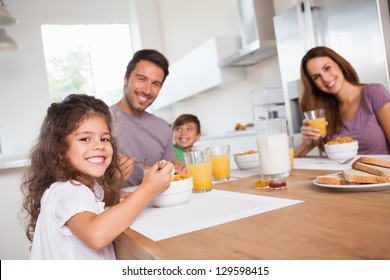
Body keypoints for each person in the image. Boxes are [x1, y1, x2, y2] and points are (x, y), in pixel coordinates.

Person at [21, 94, 173, 259]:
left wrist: (118, 199)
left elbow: (94, 212)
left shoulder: (91, 188)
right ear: (59, 150)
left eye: (104, 138)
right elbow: (96, 235)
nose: (99, 145)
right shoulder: (66, 191)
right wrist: (147, 189)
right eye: (85, 138)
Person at [295, 46, 390, 156]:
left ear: (339, 64)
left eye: (327, 68)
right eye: (316, 77)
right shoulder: (325, 113)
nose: (325, 78)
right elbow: (290, 161)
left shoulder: (374, 93)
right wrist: (306, 142)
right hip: (341, 172)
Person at [111, 49, 185, 187]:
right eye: (141, 79)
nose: (146, 90)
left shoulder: (163, 127)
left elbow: (171, 171)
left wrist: (177, 168)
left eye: (155, 84)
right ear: (126, 79)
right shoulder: (102, 121)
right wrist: (110, 181)